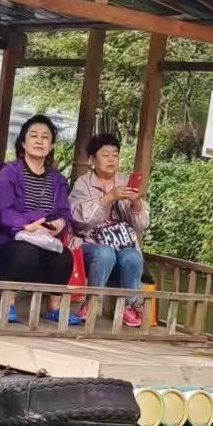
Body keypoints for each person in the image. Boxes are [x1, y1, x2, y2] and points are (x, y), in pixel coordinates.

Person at [0, 115, 77, 324]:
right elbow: (2, 211)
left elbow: (65, 213)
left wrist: (59, 224)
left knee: (64, 255)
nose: (39, 141)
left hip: (43, 238)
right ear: (23, 142)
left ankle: (54, 308)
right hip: (8, 241)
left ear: (52, 145)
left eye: (45, 137)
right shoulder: (9, 173)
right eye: (34, 136)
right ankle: (8, 304)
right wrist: (27, 225)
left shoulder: (58, 179)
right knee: (26, 252)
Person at [70, 132, 151, 327]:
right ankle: (91, 302)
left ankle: (128, 306)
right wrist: (109, 197)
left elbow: (142, 224)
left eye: (115, 155)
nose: (111, 159)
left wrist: (136, 203)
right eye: (105, 155)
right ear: (92, 160)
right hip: (89, 245)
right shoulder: (82, 184)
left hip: (121, 246)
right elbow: (79, 220)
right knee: (104, 253)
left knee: (133, 256)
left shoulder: (125, 182)